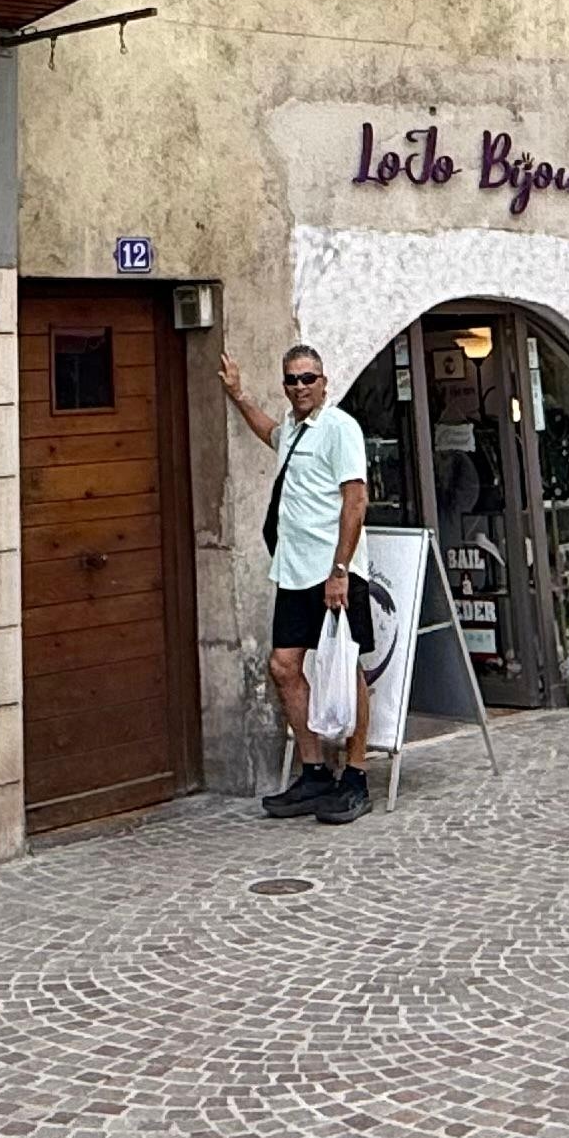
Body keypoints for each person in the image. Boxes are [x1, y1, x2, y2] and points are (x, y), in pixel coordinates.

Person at [221, 342, 370, 825]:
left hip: (334, 572)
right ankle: (314, 772)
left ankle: (356, 775)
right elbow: (269, 432)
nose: (301, 387)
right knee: (284, 666)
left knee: (346, 667)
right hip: (294, 570)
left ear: (324, 381)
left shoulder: (339, 428)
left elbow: (355, 501)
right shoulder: (292, 430)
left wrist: (341, 570)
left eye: (309, 378)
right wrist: (240, 395)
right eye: (292, 379)